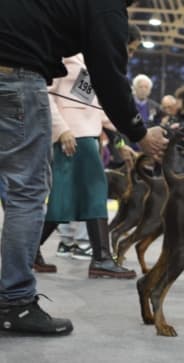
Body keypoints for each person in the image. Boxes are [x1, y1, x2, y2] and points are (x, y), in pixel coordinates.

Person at [0, 0, 168, 336]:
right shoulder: (106, 8)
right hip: (19, 83)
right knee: (27, 192)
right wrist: (138, 132)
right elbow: (109, 75)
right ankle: (14, 302)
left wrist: (120, 137)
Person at [34, 53, 137, 278]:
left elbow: (95, 108)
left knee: (64, 199)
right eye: (130, 48)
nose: (130, 53)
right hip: (72, 138)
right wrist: (61, 130)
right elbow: (45, 95)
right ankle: (101, 259)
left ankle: (30, 252)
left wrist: (124, 136)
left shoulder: (89, 61)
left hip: (87, 137)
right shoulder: (61, 56)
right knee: (94, 192)